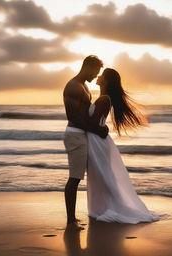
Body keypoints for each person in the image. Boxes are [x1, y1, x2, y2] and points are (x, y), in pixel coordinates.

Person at [86, 68, 160, 224]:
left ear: (105, 81)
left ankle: (114, 207)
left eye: (101, 75)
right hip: (97, 139)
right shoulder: (103, 98)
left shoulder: (104, 99)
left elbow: (93, 123)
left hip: (97, 140)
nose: (98, 77)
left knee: (104, 176)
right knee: (100, 175)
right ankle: (103, 207)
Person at [63, 55, 108, 229]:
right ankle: (70, 221)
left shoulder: (83, 86)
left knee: (77, 177)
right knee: (74, 178)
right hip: (75, 134)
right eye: (96, 71)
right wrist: (97, 129)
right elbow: (73, 116)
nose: (96, 75)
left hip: (81, 134)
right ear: (88, 67)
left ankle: (72, 219)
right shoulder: (74, 86)